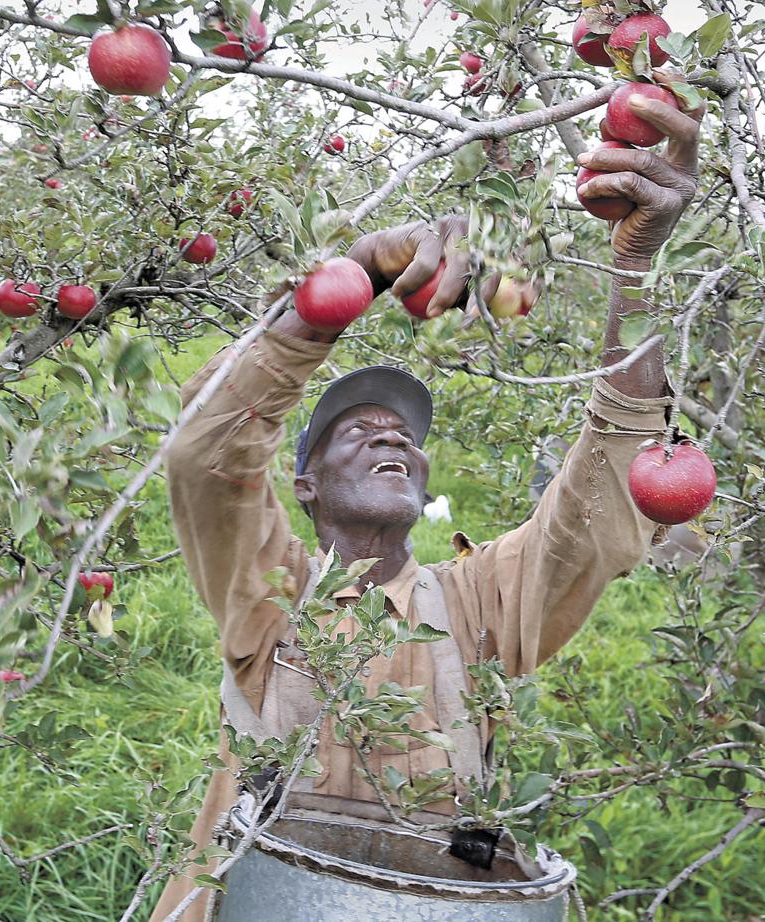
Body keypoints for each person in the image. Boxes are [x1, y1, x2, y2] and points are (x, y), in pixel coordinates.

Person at [150, 89, 702, 922]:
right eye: (357, 431)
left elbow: (604, 489)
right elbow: (207, 449)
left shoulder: (481, 603)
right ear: (303, 485)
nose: (391, 441)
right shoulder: (267, 600)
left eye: (404, 436)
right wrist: (352, 277)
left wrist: (638, 267)